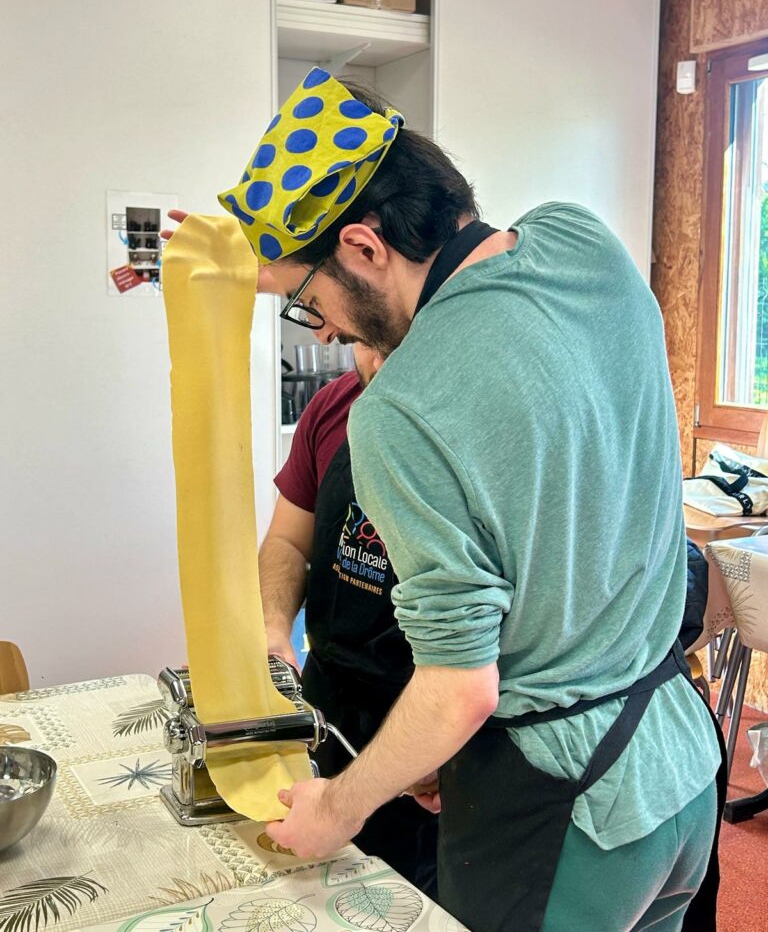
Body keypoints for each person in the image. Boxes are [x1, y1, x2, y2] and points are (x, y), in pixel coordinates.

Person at [164, 67, 725, 932]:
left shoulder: (399, 412)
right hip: (680, 775)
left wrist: (339, 808)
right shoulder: (582, 244)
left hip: (565, 809)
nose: (325, 329)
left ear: (363, 246)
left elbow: (461, 686)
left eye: (312, 300)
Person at [259, 343, 438, 894]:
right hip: (329, 699)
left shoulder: (467, 423)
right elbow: (288, 541)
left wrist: (443, 747)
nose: (378, 364)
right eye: (364, 344)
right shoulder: (332, 407)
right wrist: (272, 628)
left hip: (431, 723)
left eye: (394, 341)